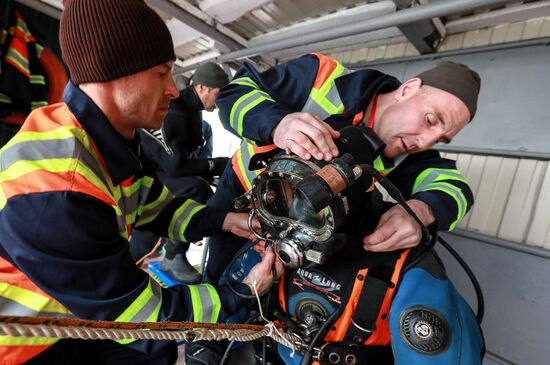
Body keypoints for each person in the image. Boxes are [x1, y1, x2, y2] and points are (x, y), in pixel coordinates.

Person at [0, 1, 277, 364]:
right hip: (27, 345)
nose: (173, 90)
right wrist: (242, 293)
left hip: (68, 307)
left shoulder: (105, 141)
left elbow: (156, 205)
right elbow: (146, 319)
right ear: (113, 73)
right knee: (152, 349)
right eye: (162, 74)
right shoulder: (59, 190)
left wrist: (225, 221)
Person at [200, 53, 483, 363]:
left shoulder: (413, 158)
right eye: (430, 120)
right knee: (218, 279)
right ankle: (206, 344)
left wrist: (422, 209)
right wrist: (277, 122)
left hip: (306, 230)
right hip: (244, 199)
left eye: (441, 138)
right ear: (408, 89)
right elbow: (234, 93)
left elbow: (456, 189)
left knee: (265, 299)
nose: (425, 141)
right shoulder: (322, 77)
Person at [132, 62, 230, 284]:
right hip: (145, 177)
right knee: (196, 188)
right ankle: (173, 254)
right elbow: (175, 167)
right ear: (202, 88)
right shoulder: (175, 110)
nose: (220, 101)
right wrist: (218, 164)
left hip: (161, 173)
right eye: (219, 94)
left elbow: (189, 159)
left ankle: (175, 244)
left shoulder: (192, 111)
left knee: (205, 189)